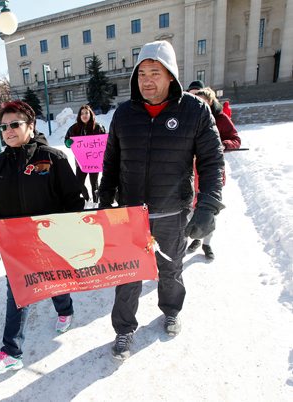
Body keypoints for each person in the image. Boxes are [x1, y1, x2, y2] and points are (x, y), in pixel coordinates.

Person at [98, 40, 225, 360]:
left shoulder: (194, 111)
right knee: (128, 277)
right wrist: (104, 200)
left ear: (171, 76)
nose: (147, 80)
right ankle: (124, 330)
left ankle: (170, 309)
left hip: (172, 212)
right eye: (142, 74)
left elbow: (212, 160)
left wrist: (208, 205)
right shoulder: (124, 114)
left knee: (171, 270)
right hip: (131, 215)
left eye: (155, 72)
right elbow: (111, 161)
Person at [0, 100, 84, 374]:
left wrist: (63, 227)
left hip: (47, 241)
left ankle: (65, 309)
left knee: (53, 282)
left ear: (30, 126)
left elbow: (74, 198)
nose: (8, 131)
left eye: (14, 125)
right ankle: (11, 352)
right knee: (19, 294)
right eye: (3, 127)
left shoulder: (52, 157)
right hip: (13, 244)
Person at [187, 87, 241, 259]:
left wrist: (223, 144)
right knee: (190, 208)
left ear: (210, 101)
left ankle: (206, 243)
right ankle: (196, 235)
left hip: (210, 172)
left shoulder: (220, 119)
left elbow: (235, 139)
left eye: (201, 99)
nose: (197, 103)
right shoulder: (188, 118)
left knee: (208, 208)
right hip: (190, 173)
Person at [64, 104, 107, 204]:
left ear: (90, 114)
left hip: (95, 161)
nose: (84, 115)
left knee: (94, 183)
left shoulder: (98, 127)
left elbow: (105, 142)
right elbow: (67, 141)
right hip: (80, 162)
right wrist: (68, 143)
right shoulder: (73, 128)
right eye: (82, 113)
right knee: (79, 183)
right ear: (79, 116)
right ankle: (87, 199)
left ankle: (96, 203)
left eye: (86, 113)